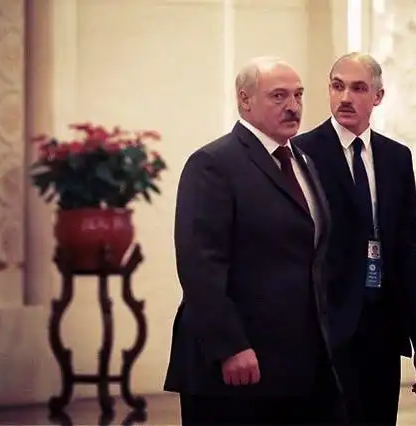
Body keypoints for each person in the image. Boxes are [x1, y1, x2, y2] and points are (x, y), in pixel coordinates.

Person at [163, 56, 343, 425]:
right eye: (279, 96)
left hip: (301, 365)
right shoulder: (213, 164)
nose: (293, 106)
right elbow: (200, 266)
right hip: (236, 367)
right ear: (245, 100)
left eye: (298, 95)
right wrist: (230, 347)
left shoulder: (302, 161)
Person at [292, 52, 416, 425]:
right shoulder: (302, 153)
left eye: (358, 88)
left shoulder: (396, 158)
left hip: (382, 326)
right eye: (337, 86)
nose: (345, 97)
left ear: (378, 96)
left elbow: (408, 250)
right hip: (325, 328)